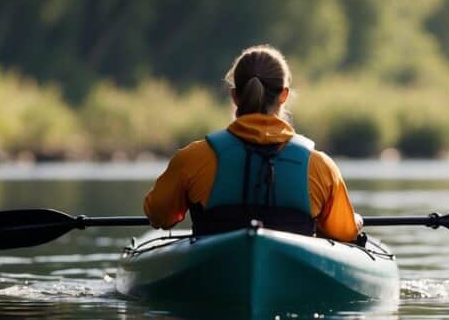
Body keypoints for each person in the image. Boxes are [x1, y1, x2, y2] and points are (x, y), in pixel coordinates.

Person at [143, 45, 363, 242]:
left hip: (214, 265)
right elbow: (344, 232)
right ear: (284, 95)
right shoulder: (320, 166)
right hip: (293, 267)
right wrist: (356, 221)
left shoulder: (192, 158)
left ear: (235, 96)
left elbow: (159, 216)